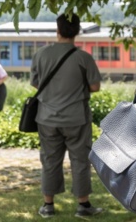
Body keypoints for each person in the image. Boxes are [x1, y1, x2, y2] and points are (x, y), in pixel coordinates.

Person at [31, 13, 103, 218]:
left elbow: (36, 84)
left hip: (46, 118)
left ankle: (48, 205)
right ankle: (83, 206)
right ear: (77, 31)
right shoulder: (83, 58)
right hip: (76, 118)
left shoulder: (40, 55)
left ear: (58, 30)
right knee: (80, 161)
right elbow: (95, 86)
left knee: (50, 160)